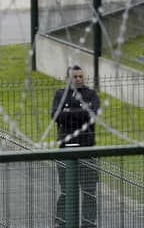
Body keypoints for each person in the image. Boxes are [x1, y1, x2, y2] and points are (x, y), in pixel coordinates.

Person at [51, 65, 100, 228]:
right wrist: (81, 112)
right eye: (75, 77)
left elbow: (94, 114)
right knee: (66, 191)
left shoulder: (91, 94)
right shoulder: (60, 94)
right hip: (66, 150)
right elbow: (55, 115)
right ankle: (63, 222)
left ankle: (88, 223)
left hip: (86, 149)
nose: (78, 79)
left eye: (80, 76)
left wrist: (68, 112)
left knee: (89, 192)